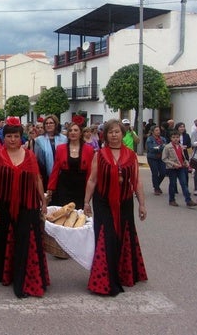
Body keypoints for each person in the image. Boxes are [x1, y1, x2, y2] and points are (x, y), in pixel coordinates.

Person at [83, 119, 147, 296]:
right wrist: (86, 202)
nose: (114, 135)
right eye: (110, 132)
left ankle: (124, 274)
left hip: (125, 201)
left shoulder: (131, 156)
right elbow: (92, 180)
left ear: (122, 133)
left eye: (117, 132)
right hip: (103, 202)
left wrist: (142, 204)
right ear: (106, 135)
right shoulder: (100, 154)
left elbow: (137, 181)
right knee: (107, 237)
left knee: (123, 236)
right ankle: (105, 279)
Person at [0, 117, 49, 298]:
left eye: (15, 136)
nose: (12, 139)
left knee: (25, 242)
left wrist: (43, 201)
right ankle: (3, 274)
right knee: (4, 239)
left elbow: (37, 179)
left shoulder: (30, 156)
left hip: (27, 205)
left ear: (21, 137)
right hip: (4, 205)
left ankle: (23, 281)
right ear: (3, 138)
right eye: (9, 136)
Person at [46, 122, 94, 210]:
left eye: (76, 130)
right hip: (64, 185)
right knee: (63, 211)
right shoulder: (60, 148)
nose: (73, 132)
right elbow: (55, 170)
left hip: (81, 186)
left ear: (80, 133)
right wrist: (50, 187)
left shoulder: (89, 150)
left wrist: (89, 191)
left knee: (78, 213)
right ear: (68, 134)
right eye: (70, 130)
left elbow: (90, 172)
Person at [162, 130, 195, 207]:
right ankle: (172, 200)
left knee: (184, 184)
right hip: (172, 168)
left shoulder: (180, 146)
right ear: (170, 138)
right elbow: (164, 158)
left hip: (181, 167)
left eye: (177, 137)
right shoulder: (167, 147)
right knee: (173, 184)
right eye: (174, 137)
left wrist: (186, 162)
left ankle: (188, 200)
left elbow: (182, 157)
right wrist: (173, 164)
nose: (176, 139)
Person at [34, 114, 68, 190]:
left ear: (55, 124)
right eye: (46, 123)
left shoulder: (64, 139)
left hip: (62, 175)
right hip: (45, 174)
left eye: (51, 123)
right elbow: (38, 159)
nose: (48, 125)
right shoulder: (39, 140)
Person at [145, 125, 167, 196]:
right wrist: (161, 147)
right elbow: (151, 149)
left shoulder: (163, 139)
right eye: (156, 130)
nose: (158, 132)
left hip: (161, 158)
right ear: (152, 132)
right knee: (155, 173)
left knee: (163, 173)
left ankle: (156, 185)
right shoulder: (150, 139)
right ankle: (156, 188)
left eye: (159, 130)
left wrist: (159, 147)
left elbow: (165, 148)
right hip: (152, 158)